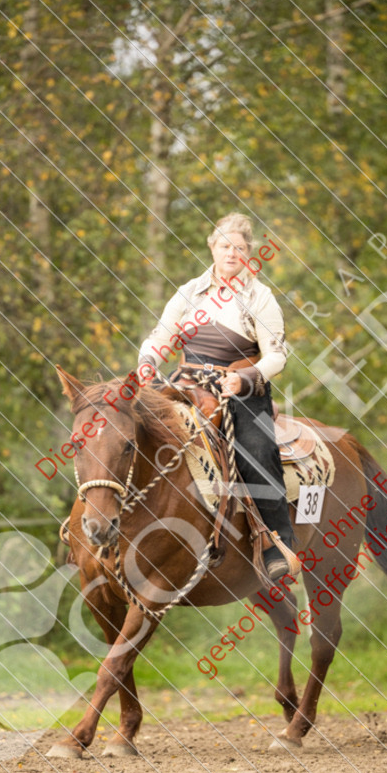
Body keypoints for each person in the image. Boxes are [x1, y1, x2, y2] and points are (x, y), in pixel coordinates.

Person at [138, 212, 294, 580]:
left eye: (239, 247)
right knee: (137, 429)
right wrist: (147, 362)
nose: (231, 253)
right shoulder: (188, 292)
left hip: (240, 387)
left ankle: (277, 542)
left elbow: (277, 355)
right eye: (225, 245)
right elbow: (161, 338)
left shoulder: (260, 296)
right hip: (185, 383)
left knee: (257, 449)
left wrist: (246, 378)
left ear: (248, 253)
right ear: (212, 247)